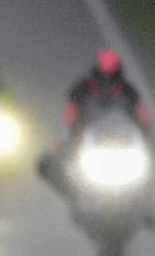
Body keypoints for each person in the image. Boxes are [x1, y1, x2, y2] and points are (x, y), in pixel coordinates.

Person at [38, 48, 154, 193]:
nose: (106, 80)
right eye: (103, 74)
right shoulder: (81, 90)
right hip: (86, 142)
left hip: (123, 143)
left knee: (147, 167)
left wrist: (149, 138)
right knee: (48, 165)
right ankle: (74, 194)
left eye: (111, 75)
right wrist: (61, 142)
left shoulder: (128, 92)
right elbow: (67, 118)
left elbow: (144, 119)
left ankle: (143, 196)